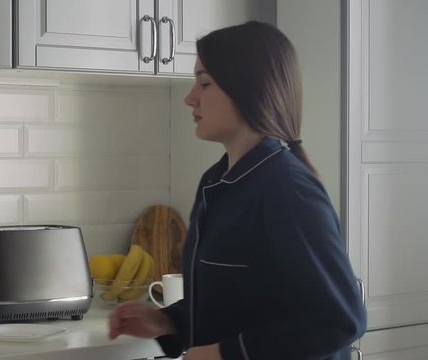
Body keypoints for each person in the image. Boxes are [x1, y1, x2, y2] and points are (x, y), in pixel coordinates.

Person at [108, 21, 367, 360]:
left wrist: (223, 354)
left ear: (249, 90)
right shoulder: (216, 183)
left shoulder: (286, 189)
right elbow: (237, 302)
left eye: (205, 83)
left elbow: (339, 321)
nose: (190, 97)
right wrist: (165, 320)